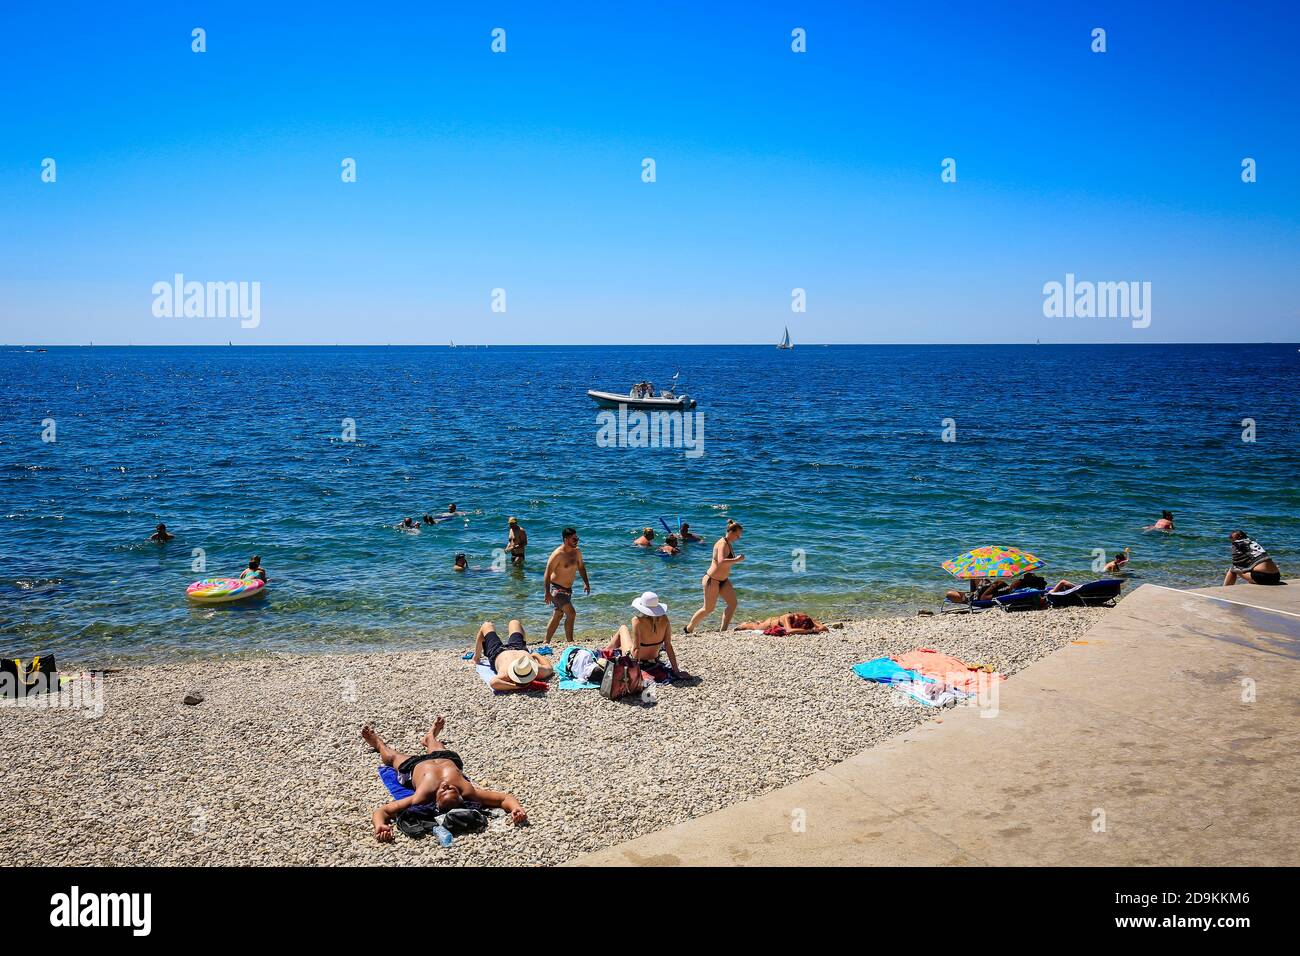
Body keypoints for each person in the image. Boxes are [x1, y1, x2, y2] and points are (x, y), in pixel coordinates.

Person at [362, 718, 528, 842]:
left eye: (443, 791)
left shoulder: (421, 797)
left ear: (436, 800)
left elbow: (382, 811)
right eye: (452, 789)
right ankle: (430, 737)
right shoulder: (469, 792)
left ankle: (378, 744)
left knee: (393, 757)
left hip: (414, 766)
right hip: (445, 758)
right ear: (461, 797)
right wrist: (516, 808)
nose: (446, 785)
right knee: (436, 745)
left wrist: (380, 825)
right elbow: (504, 798)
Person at [603, 592, 686, 677]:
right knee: (629, 641)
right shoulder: (665, 619)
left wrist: (635, 671)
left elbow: (636, 649)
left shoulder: (637, 620)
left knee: (623, 628)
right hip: (653, 658)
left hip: (638, 659)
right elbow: (668, 646)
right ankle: (612, 647)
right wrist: (676, 670)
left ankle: (605, 652)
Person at [686, 520, 745, 633]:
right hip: (712, 580)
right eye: (737, 535)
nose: (738, 538)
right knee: (708, 609)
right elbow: (721, 561)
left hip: (723, 580)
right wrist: (737, 560)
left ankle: (723, 631)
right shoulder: (722, 543)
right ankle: (689, 628)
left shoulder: (728, 543)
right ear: (731, 532)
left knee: (733, 604)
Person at [471, 619, 553, 691]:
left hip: (497, 652)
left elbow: (494, 683)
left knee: (486, 625)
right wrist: (535, 654)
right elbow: (549, 667)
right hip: (519, 648)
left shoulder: (506, 674)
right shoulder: (537, 671)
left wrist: (516, 687)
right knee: (514, 622)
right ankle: (476, 658)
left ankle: (476, 658)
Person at [543, 528, 590, 641]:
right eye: (574, 539)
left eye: (577, 538)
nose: (577, 541)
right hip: (557, 590)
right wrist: (547, 592)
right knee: (571, 614)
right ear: (566, 539)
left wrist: (586, 583)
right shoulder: (558, 554)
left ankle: (546, 641)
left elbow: (581, 568)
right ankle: (570, 641)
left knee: (558, 615)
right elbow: (547, 573)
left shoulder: (577, 552)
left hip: (568, 590)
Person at [945, 571, 1046, 605]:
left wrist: (995, 584)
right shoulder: (1010, 589)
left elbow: (983, 598)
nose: (1016, 579)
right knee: (975, 575)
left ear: (1019, 584)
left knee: (949, 594)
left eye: (1019, 580)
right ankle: (974, 591)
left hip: (976, 597)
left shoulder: (1008, 593)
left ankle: (971, 593)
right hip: (984, 587)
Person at [737, 612, 828, 633]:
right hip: (769, 624)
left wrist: (819, 627)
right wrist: (809, 631)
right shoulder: (787, 617)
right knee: (755, 627)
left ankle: (758, 621)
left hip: (775, 620)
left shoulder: (804, 616)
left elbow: (824, 628)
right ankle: (744, 624)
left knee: (758, 623)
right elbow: (789, 630)